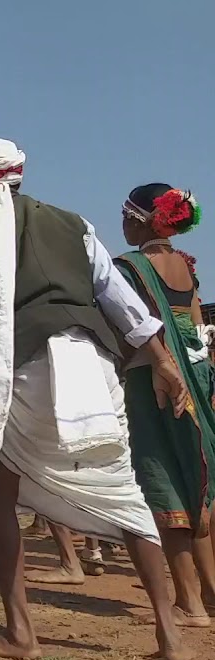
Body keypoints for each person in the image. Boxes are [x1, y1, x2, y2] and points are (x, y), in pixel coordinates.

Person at [0, 138, 192, 660]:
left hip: (24, 364)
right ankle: (169, 632)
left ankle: (21, 632)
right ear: (19, 178)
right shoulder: (75, 223)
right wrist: (160, 359)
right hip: (94, 362)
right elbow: (117, 296)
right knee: (121, 487)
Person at [108, 184, 214, 624]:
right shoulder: (185, 268)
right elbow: (195, 326)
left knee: (164, 479)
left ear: (140, 219)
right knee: (200, 475)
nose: (122, 225)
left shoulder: (129, 268)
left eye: (125, 216)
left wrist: (155, 366)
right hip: (197, 376)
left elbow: (128, 329)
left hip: (151, 378)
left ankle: (188, 603)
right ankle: (210, 593)